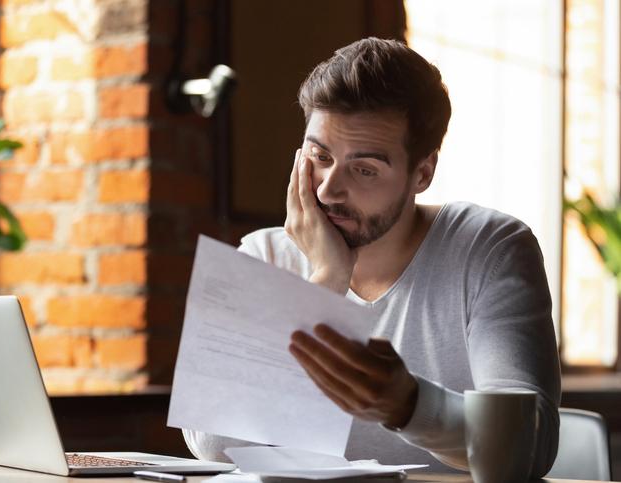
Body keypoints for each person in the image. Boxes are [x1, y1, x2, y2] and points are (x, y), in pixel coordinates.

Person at [183, 37, 561, 476]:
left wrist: (409, 406)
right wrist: (324, 281)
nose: (327, 189)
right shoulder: (263, 253)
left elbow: (529, 443)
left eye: (364, 169)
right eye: (319, 156)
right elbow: (211, 442)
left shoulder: (490, 248)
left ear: (422, 173)